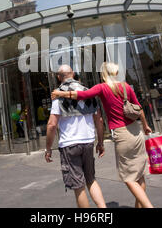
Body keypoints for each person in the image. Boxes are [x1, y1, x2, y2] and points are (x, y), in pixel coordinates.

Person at [52, 62, 154, 208]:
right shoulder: (125, 86)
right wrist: (145, 125)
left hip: (122, 134)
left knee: (129, 178)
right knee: (139, 174)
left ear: (103, 74)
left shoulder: (102, 87)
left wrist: (60, 93)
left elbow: (82, 95)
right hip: (136, 132)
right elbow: (139, 108)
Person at [45, 65, 106, 208]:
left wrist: (48, 148)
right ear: (73, 74)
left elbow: (52, 125)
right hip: (88, 141)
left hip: (69, 144)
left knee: (78, 186)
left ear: (59, 77)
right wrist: (101, 142)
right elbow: (100, 120)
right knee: (91, 180)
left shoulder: (58, 94)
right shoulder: (88, 92)